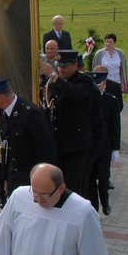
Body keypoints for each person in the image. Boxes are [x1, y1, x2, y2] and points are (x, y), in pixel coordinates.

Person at [0, 76, 56, 198]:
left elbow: (47, 151)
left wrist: (44, 182)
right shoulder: (2, 113)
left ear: (0, 98)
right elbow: (6, 150)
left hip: (31, 179)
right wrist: (6, 179)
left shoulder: (31, 114)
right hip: (14, 178)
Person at [40, 50, 95, 196]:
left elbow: (74, 93)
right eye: (59, 66)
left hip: (76, 144)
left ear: (75, 65)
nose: (61, 69)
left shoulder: (84, 81)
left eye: (64, 66)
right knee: (57, 183)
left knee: (74, 185)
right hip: (59, 143)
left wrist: (53, 76)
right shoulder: (56, 82)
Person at [87, 71, 119, 216]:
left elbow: (115, 126)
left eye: (99, 84)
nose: (97, 88)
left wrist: (115, 149)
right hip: (90, 147)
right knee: (91, 180)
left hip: (105, 147)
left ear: (104, 84)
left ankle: (105, 203)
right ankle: (94, 208)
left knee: (104, 179)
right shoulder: (86, 100)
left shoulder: (111, 100)